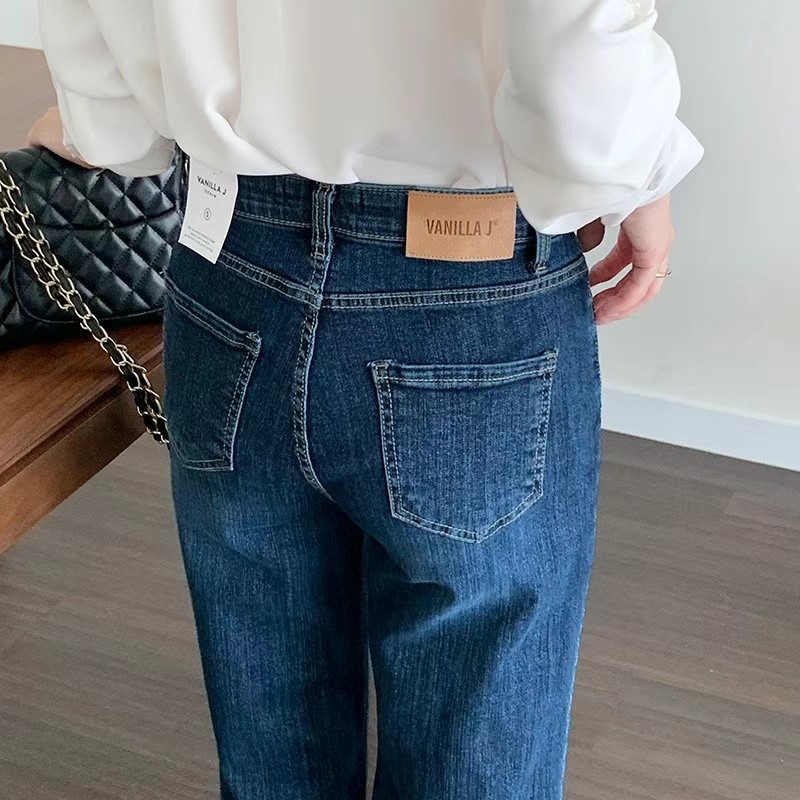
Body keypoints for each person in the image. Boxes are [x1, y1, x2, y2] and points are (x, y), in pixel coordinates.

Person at [30, 1, 702, 798]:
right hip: (468, 281)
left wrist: (111, 116)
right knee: (474, 727)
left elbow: (101, 67)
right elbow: (574, 37)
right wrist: (640, 178)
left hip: (229, 256)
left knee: (268, 711)